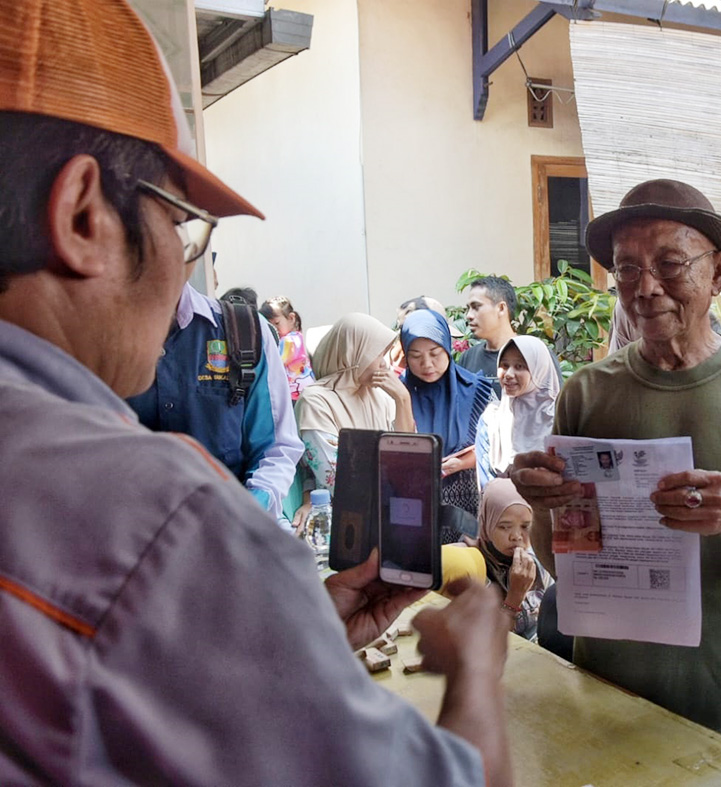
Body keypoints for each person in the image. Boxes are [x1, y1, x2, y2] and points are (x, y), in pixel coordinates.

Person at [0, 2, 511, 784]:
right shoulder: (159, 516)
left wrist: (278, 638)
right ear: (80, 215)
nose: (184, 263)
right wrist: (477, 664)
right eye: (180, 224)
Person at [510, 179, 721, 770]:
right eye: (627, 270)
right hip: (612, 694)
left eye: (670, 264)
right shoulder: (587, 391)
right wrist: (544, 504)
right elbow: (562, 563)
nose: (645, 288)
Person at [127, 280, 303, 525]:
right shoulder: (97, 335)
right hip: (129, 535)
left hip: (230, 529)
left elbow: (276, 448)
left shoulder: (243, 331)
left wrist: (243, 515)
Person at [294, 313, 415, 520]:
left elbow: (413, 457)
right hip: (344, 519)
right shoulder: (316, 400)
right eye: (378, 354)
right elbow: (336, 478)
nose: (384, 364)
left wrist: (403, 400)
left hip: (392, 511)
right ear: (354, 353)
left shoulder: (381, 395)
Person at [401, 309, 497, 537]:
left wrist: (460, 464)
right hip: (414, 511)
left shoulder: (478, 390)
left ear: (447, 347)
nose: (427, 363)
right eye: (415, 356)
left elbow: (496, 445)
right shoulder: (396, 394)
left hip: (469, 507)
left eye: (435, 353)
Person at [475, 335, 561, 488]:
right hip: (504, 506)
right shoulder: (491, 419)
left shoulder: (559, 417)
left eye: (520, 366)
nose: (508, 374)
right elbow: (485, 484)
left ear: (539, 370)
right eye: (504, 365)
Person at [457, 275, 562, 396]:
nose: (469, 315)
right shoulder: (468, 358)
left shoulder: (535, 353)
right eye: (468, 309)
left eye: (476, 307)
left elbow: (556, 404)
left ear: (501, 308)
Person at [475, 479, 554, 641]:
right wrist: (515, 596)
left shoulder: (538, 561)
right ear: (486, 524)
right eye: (504, 527)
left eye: (526, 526)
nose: (516, 536)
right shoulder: (474, 568)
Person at [261, 295, 315, 401]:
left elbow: (274, 362)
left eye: (276, 323)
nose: (273, 329)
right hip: (301, 392)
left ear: (291, 318)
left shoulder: (289, 341)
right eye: (269, 326)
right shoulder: (296, 337)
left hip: (295, 395)